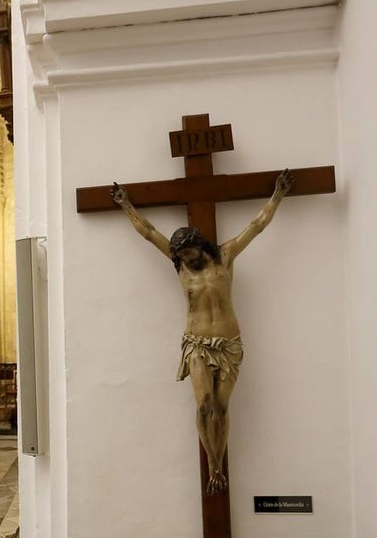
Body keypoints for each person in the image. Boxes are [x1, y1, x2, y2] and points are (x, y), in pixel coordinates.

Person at [110, 169, 294, 495]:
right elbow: (149, 232)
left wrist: (278, 194)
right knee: (204, 404)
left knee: (222, 409)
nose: (185, 260)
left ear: (198, 245)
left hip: (229, 344)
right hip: (196, 343)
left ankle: (218, 464)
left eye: (189, 253)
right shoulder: (180, 267)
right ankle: (212, 463)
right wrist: (126, 204)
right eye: (180, 256)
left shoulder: (225, 256)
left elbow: (257, 225)